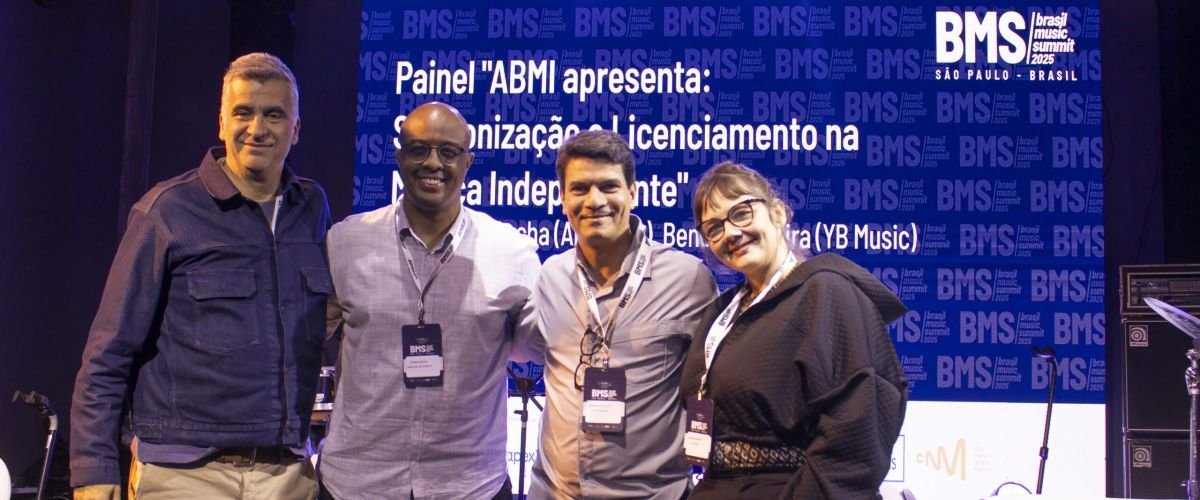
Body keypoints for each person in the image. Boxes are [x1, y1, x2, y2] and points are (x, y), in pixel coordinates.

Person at [70, 52, 329, 500]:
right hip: (186, 476)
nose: (257, 129)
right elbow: (109, 351)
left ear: (296, 129)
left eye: (274, 115)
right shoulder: (167, 211)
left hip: (287, 475)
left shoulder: (311, 208)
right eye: (243, 113)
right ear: (221, 123)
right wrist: (93, 468)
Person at [319, 101, 541, 499]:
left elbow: (536, 349)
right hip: (359, 483)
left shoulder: (512, 252)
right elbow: (301, 341)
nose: (433, 163)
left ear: (468, 162)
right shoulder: (345, 243)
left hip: (469, 485)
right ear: (399, 157)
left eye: (448, 151)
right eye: (419, 149)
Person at [678, 162, 908, 499]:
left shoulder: (828, 293)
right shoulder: (720, 314)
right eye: (714, 228)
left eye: (741, 213)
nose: (730, 233)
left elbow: (857, 432)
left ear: (778, 213)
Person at [529, 130, 718, 499]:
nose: (594, 200)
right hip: (555, 492)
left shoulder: (689, 279)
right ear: (562, 198)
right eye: (579, 188)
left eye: (608, 186)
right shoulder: (549, 277)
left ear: (633, 192)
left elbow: (712, 386)